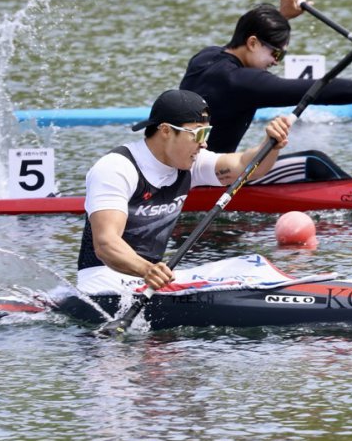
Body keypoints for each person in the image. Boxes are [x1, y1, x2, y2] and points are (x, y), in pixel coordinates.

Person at [77, 89, 293, 295]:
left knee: (250, 267)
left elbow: (245, 166)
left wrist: (271, 145)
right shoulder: (117, 168)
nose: (204, 143)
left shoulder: (190, 163)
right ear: (165, 131)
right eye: (199, 133)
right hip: (102, 280)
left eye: (207, 133)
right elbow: (105, 243)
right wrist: (146, 270)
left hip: (152, 279)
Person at [179, 0, 352, 153]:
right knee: (313, 163)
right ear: (252, 42)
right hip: (208, 179)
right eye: (276, 53)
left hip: (183, 168)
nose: (276, 61)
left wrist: (281, 16)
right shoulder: (243, 82)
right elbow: (320, 90)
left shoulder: (206, 57)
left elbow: (251, 34)